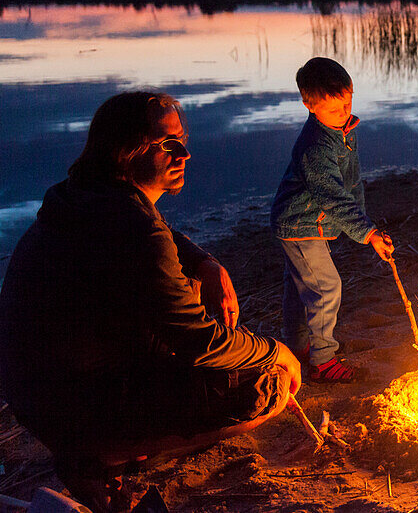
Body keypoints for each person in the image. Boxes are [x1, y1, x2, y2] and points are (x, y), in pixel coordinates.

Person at [0, 92, 301, 513]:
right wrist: (277, 351)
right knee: (268, 386)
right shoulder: (135, 229)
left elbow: (155, 235)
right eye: (170, 144)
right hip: (74, 410)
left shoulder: (82, 195)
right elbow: (202, 343)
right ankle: (104, 457)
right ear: (128, 151)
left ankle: (107, 445)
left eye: (183, 141)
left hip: (38, 401)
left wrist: (204, 260)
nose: (186, 154)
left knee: (189, 289)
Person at [271, 57, 394, 384]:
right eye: (335, 109)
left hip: (307, 223)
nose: (344, 113)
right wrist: (367, 233)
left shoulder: (339, 129)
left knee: (301, 288)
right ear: (309, 106)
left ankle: (297, 347)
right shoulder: (315, 147)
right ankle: (323, 360)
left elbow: (349, 183)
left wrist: (365, 223)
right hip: (300, 225)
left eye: (348, 103)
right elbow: (332, 195)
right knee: (326, 288)